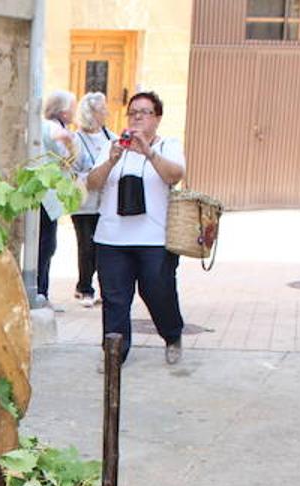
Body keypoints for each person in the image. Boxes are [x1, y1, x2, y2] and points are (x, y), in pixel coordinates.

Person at [85, 90, 186, 365]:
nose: (138, 117)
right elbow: (93, 183)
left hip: (153, 239)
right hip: (112, 238)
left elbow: (175, 176)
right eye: (133, 112)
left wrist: (148, 152)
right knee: (115, 299)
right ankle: (115, 353)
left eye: (145, 112)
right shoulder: (111, 145)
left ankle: (172, 334)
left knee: (158, 292)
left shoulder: (168, 146)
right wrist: (112, 159)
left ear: (158, 118)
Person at [69, 92, 114, 308]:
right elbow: (69, 171)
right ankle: (84, 287)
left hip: (106, 203)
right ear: (91, 113)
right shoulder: (75, 141)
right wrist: (89, 177)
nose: (106, 112)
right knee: (86, 245)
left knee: (103, 246)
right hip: (84, 202)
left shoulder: (111, 137)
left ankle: (105, 288)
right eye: (102, 109)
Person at [36, 90, 75, 311]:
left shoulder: (49, 125)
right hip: (45, 197)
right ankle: (41, 292)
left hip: (49, 197)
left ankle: (43, 291)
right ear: (63, 110)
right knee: (46, 245)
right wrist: (70, 144)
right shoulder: (51, 125)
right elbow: (58, 136)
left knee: (47, 245)